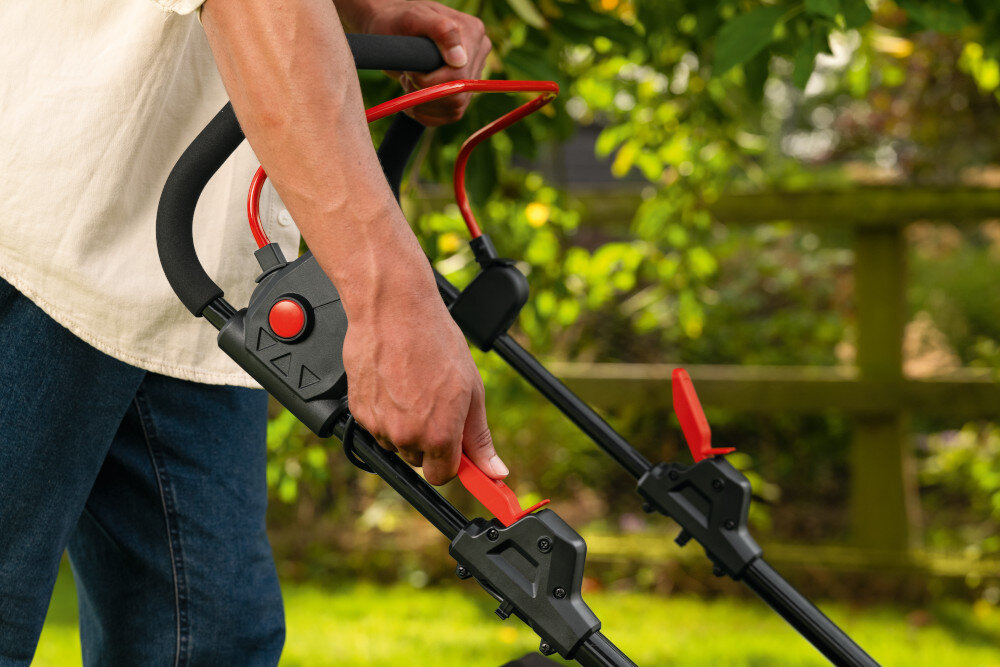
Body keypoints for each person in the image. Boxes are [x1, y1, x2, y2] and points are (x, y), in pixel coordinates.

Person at [0, 0, 504, 663]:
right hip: (43, 227)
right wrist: (393, 300)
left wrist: (364, 14)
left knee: (214, 642)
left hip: (193, 269)